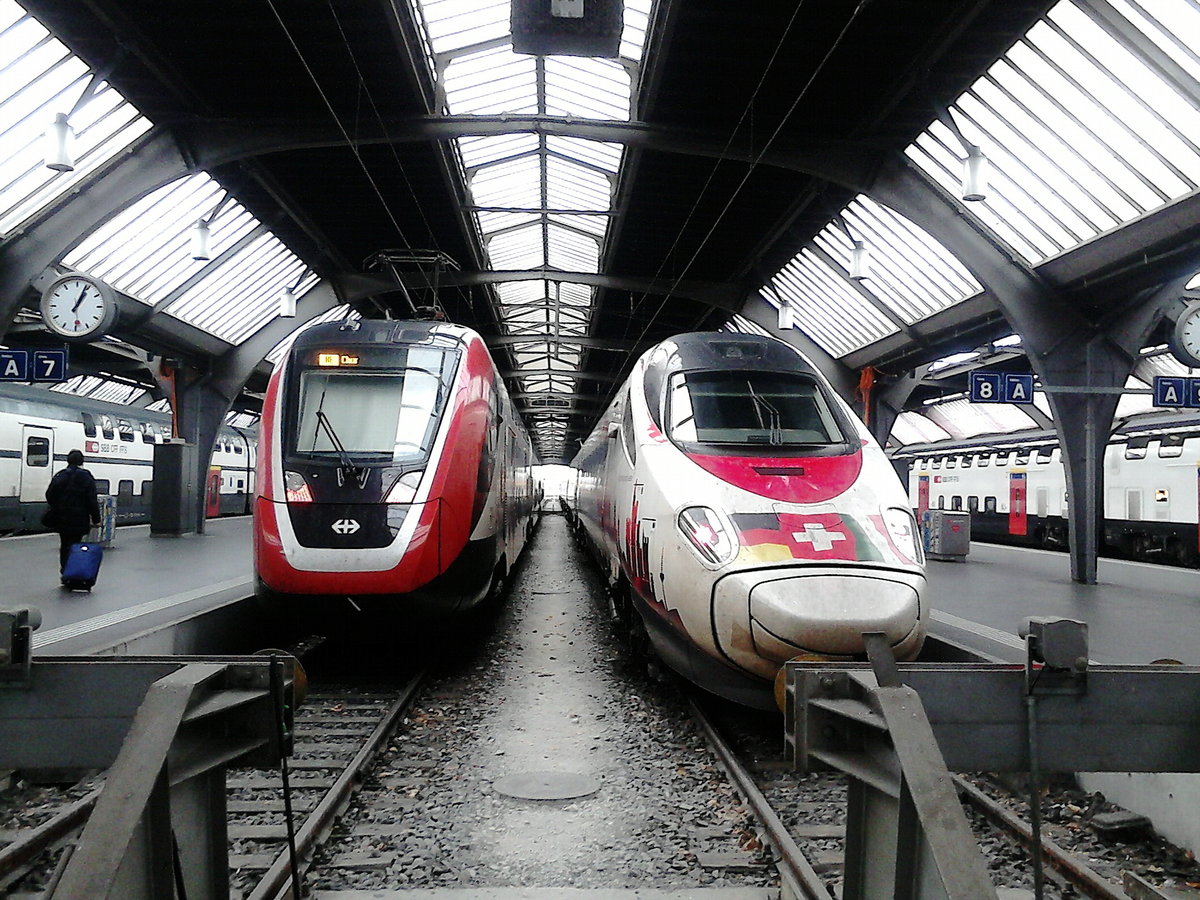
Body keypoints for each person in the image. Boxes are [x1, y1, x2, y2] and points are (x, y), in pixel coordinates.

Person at [45, 449, 101, 578]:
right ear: (82, 461)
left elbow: (49, 495)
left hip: (62, 519)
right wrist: (96, 519)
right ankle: (73, 571)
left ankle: (64, 571)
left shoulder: (60, 475)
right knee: (75, 545)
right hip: (79, 520)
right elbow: (91, 500)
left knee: (64, 545)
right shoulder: (86, 476)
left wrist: (58, 506)